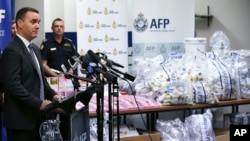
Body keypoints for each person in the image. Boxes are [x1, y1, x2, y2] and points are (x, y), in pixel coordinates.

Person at [0, 7, 61, 141]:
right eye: (33, 22)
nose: (37, 26)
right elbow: (12, 86)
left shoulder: (34, 49)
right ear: (20, 24)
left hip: (37, 118)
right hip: (21, 122)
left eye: (38, 22)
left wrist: (54, 95)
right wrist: (39, 103)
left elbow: (41, 79)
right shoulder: (12, 51)